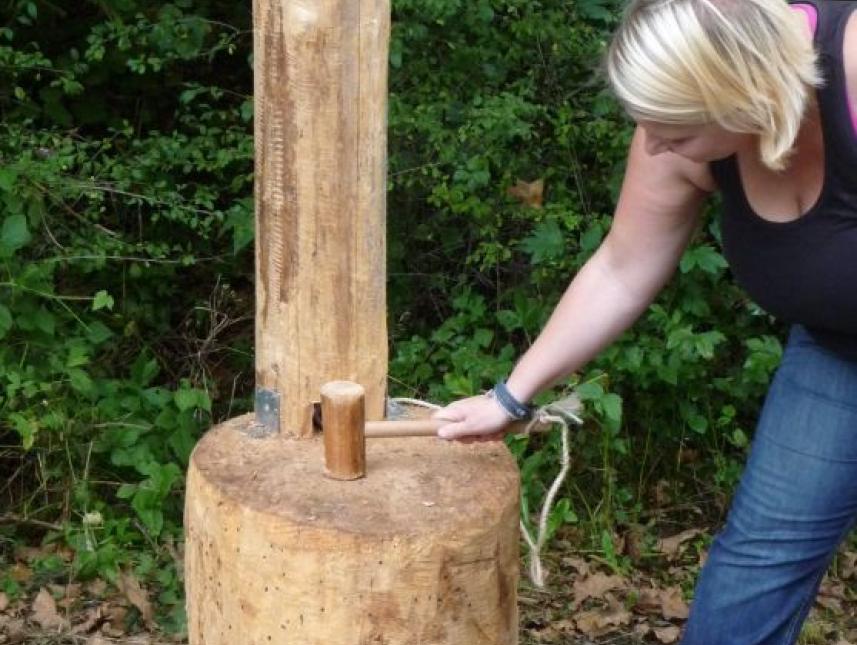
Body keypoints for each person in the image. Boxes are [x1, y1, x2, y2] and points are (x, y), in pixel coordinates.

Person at [432, 0, 857, 642]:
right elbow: (622, 270)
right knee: (753, 570)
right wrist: (512, 397)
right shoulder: (680, 135)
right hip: (838, 352)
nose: (656, 145)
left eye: (677, 132)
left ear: (742, 95)